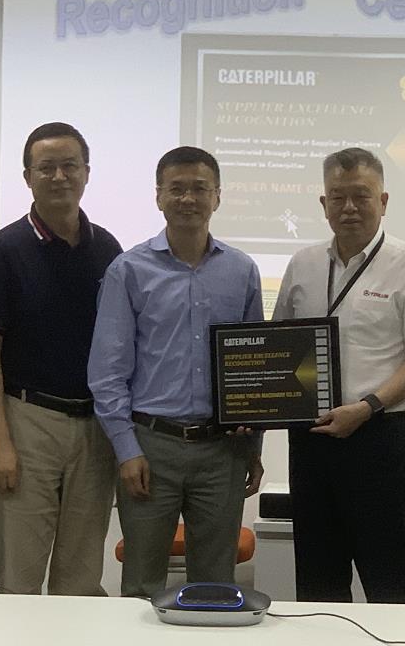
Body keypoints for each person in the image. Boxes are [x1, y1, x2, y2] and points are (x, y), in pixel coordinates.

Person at [273, 147, 405, 603]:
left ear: (383, 201)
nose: (349, 207)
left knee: (386, 581)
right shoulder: (302, 264)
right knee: (317, 583)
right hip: (310, 440)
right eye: (338, 197)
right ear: (324, 204)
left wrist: (367, 407)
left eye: (361, 196)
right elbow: (278, 347)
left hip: (378, 438)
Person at [89, 146, 264, 598]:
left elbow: (255, 371)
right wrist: (126, 450)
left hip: (222, 451)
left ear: (217, 196)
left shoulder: (242, 271)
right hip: (150, 448)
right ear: (159, 196)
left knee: (216, 584)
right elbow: (107, 372)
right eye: (177, 189)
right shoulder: (128, 270)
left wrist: (253, 445)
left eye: (200, 189)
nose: (188, 199)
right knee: (142, 583)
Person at [0, 122, 121, 595]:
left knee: (82, 577)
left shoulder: (107, 249)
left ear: (87, 172)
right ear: (27, 177)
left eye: (69, 165)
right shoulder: (5, 250)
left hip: (95, 428)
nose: (59, 176)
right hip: (27, 422)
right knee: (21, 576)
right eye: (46, 167)